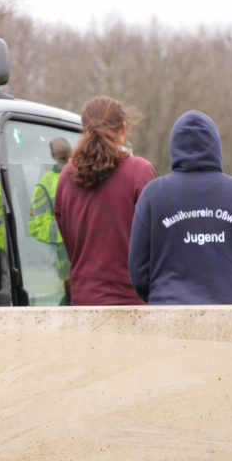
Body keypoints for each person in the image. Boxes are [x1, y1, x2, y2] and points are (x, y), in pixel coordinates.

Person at [129, 111, 232, 304]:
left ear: (174, 147)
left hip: (170, 310)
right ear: (216, 146)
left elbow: (139, 269)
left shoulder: (154, 194)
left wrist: (162, 298)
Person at [54, 97, 155, 305]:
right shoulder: (139, 171)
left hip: (83, 303)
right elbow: (155, 243)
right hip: (132, 304)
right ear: (123, 129)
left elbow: (69, 242)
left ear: (84, 130)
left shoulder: (66, 175)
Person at [28, 138, 72, 304]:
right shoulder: (45, 185)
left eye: (69, 157)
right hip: (66, 271)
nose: (67, 162)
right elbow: (36, 226)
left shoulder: (83, 174)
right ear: (53, 156)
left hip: (90, 264)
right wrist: (67, 228)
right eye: (63, 158)